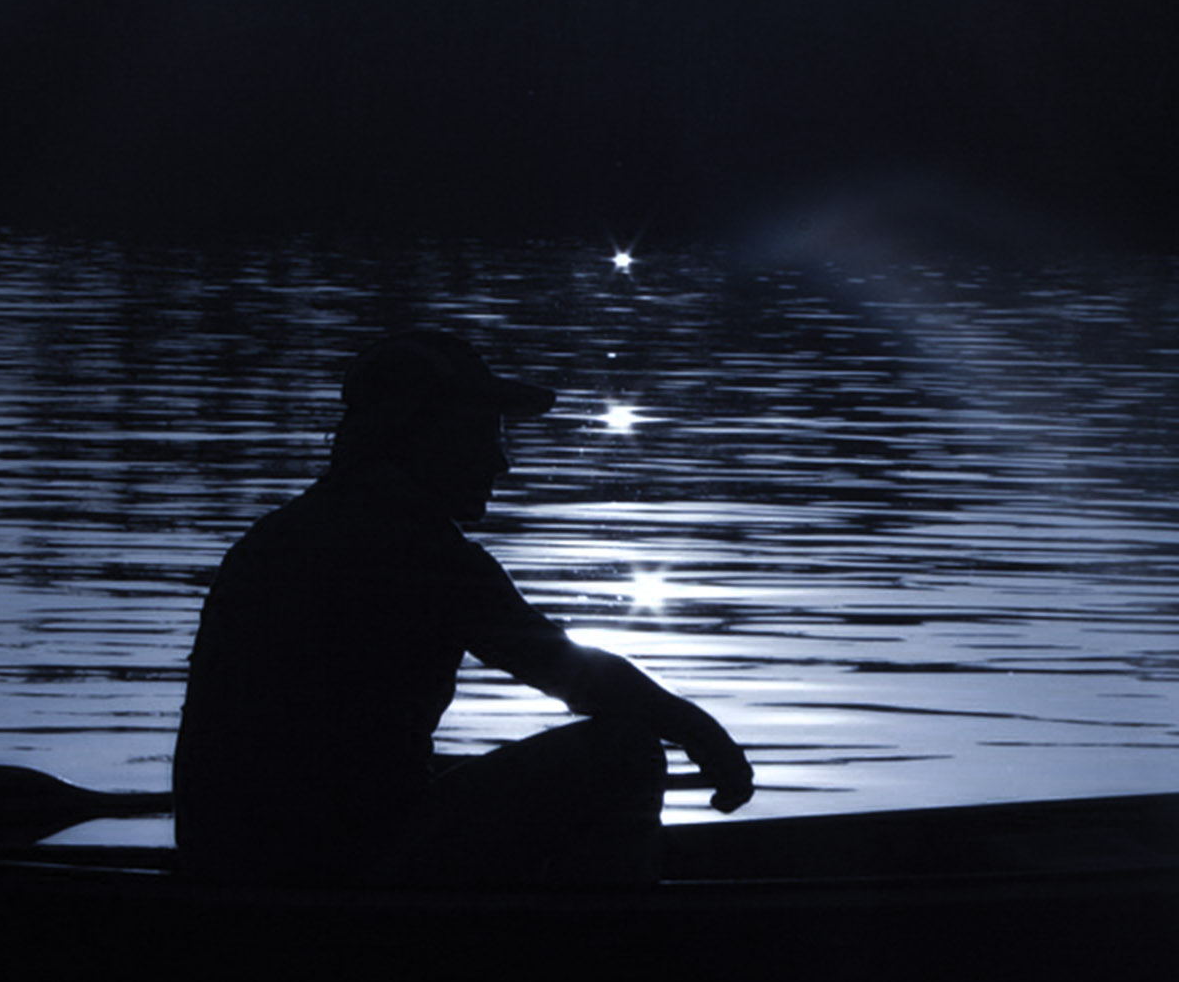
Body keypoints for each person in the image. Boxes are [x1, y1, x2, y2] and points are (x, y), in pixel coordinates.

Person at [173, 328, 753, 886]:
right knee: (621, 752)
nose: (501, 463)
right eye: (482, 434)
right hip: (324, 868)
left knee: (451, 766)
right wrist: (703, 734)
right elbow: (569, 670)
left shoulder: (284, 533)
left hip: (231, 854)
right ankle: (606, 955)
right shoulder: (410, 545)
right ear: (416, 434)